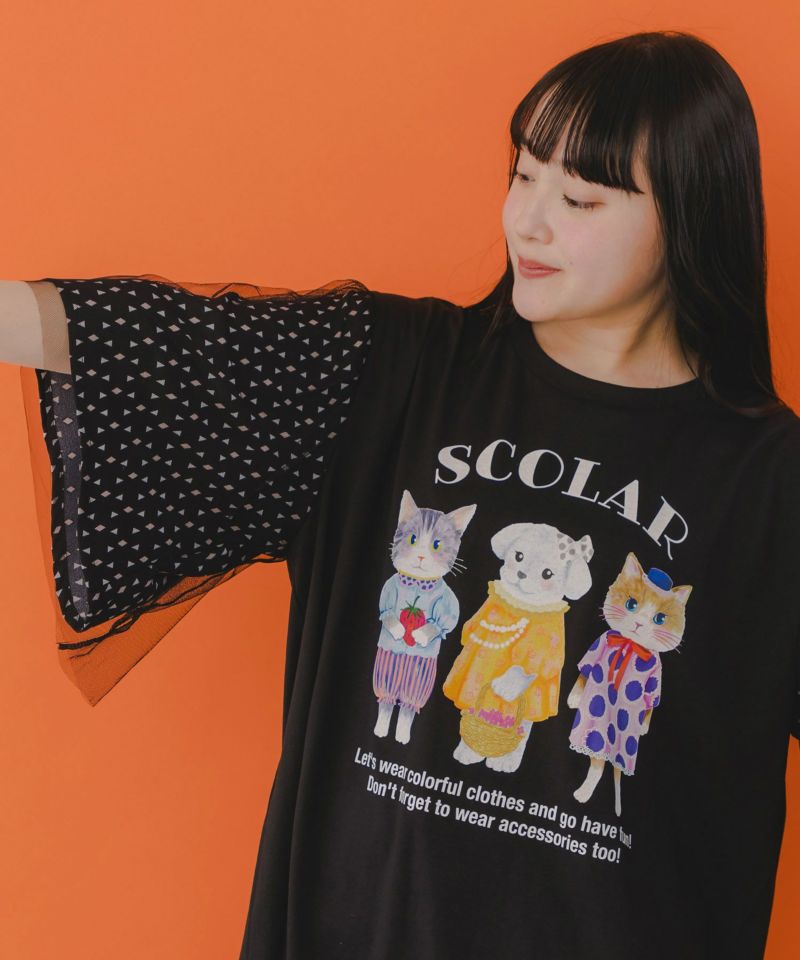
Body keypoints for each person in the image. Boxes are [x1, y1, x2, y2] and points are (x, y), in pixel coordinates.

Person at [4, 28, 798, 960]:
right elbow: (154, 341)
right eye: (523, 174)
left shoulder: (772, 483)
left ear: (690, 216)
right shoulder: (383, 372)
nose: (527, 221)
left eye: (579, 197)